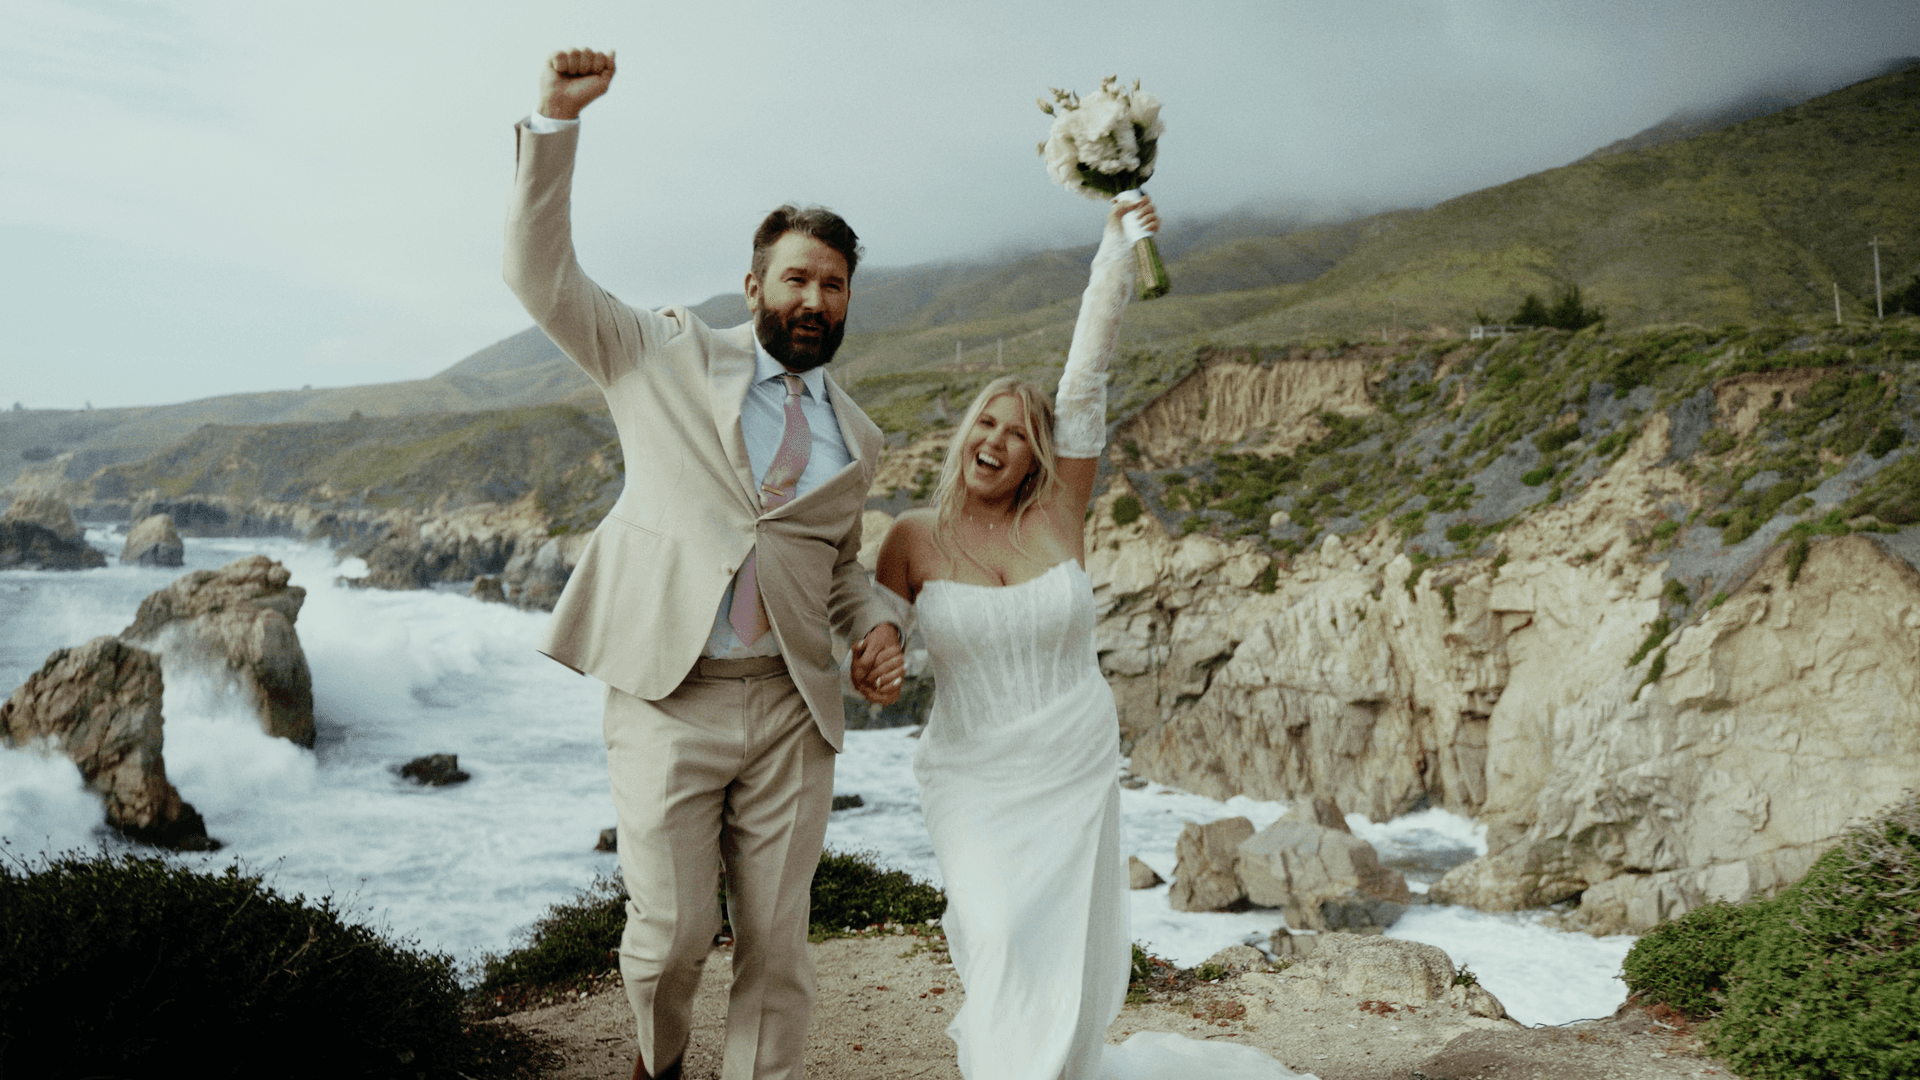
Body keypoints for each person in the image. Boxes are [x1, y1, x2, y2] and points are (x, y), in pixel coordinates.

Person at [503, 48, 907, 1080]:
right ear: (754, 285)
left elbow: (838, 564)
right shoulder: (662, 351)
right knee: (672, 934)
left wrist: (876, 625)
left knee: (778, 944)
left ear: (850, 298)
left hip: (789, 707)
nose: (814, 298)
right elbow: (539, 277)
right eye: (797, 278)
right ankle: (659, 1064)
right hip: (666, 689)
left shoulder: (856, 438)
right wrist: (554, 123)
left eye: (833, 283)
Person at [875, 198, 1317, 1079]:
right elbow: (875, 629)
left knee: (1059, 943)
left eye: (1019, 433)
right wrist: (874, 655)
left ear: (1040, 456)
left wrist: (1116, 246)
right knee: (996, 928)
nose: (998, 440)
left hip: (1072, 755)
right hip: (971, 770)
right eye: (987, 424)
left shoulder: (1059, 516)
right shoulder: (910, 537)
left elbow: (1085, 377)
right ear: (966, 437)